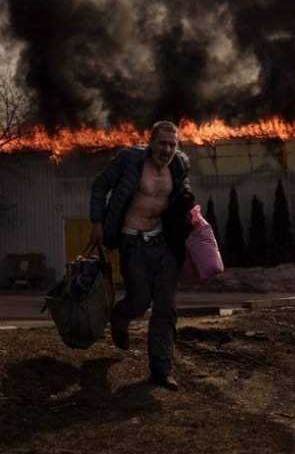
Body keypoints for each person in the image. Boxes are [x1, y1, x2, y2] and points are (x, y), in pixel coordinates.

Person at [89, 120, 194, 391]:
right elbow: (100, 185)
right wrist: (97, 221)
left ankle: (161, 370)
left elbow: (183, 193)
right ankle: (121, 316)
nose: (167, 149)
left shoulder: (180, 164)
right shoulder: (129, 160)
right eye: (162, 142)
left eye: (172, 144)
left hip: (164, 244)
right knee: (138, 302)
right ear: (150, 141)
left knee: (165, 307)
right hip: (132, 241)